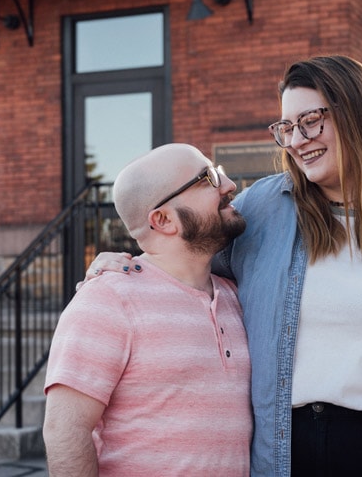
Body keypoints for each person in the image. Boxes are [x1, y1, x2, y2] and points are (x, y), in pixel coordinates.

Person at [88, 55, 362, 476]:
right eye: (286, 128)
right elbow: (186, 261)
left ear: (359, 115)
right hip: (287, 451)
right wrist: (129, 264)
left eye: (311, 121)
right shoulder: (263, 211)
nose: (297, 140)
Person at [43, 143, 252, 477]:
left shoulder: (235, 296)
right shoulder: (107, 299)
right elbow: (65, 430)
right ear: (164, 219)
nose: (229, 186)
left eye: (221, 172)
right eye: (207, 178)